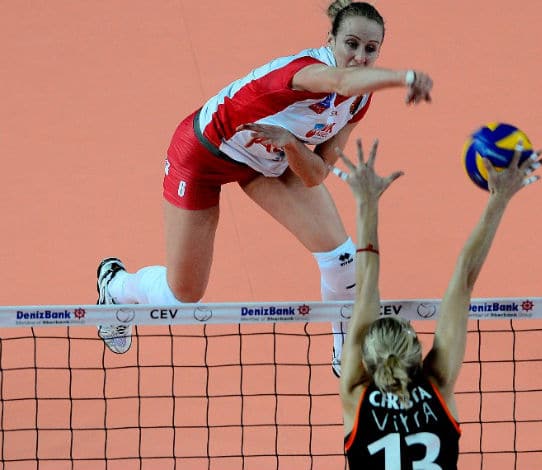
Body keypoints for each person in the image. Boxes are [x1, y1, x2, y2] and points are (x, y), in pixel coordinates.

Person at [95, 0, 434, 359]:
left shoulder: (357, 102)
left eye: (370, 49)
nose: (360, 57)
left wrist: (291, 144)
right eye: (351, 44)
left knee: (343, 260)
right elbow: (342, 80)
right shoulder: (306, 72)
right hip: (203, 156)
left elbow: (316, 174)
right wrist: (405, 78)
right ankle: (116, 286)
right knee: (181, 297)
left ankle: (347, 357)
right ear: (330, 39)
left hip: (266, 159)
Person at [336, 139, 542, 468]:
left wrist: (367, 202)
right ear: (417, 352)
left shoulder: (355, 393)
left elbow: (365, 292)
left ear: (367, 358)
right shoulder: (438, 383)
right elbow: (464, 277)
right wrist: (500, 198)